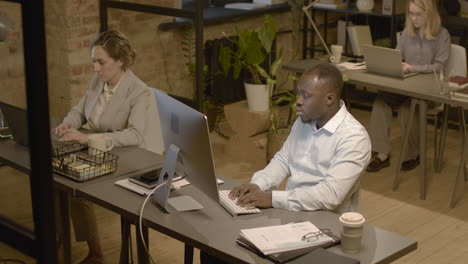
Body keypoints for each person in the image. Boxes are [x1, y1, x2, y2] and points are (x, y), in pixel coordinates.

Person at [200, 63, 371, 263]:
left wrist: (272, 198)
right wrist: (259, 184)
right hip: (291, 213)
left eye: (306, 96)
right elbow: (283, 160)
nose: (298, 102)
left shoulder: (354, 138)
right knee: (216, 248)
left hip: (323, 226)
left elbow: (330, 196)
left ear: (330, 99)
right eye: (299, 94)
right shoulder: (304, 122)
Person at [55, 30, 163, 264]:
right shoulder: (98, 80)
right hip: (92, 148)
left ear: (120, 61)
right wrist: (69, 122)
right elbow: (80, 109)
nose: (95, 68)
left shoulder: (139, 92)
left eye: (101, 62)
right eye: (94, 61)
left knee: (73, 182)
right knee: (57, 180)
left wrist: (87, 139)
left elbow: (134, 135)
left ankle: (94, 253)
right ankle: (60, 244)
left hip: (119, 156)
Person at [366, 0, 450, 172]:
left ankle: (413, 154)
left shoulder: (442, 35)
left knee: (407, 108)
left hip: (429, 90)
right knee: (380, 102)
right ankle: (382, 153)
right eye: (411, 14)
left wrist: (413, 68)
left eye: (418, 14)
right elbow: (397, 58)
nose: (414, 18)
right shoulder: (407, 32)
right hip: (406, 86)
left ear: (429, 14)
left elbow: (440, 66)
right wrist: (388, 66)